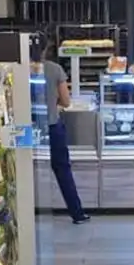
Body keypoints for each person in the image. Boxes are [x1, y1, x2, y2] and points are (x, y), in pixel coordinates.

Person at [38, 37, 90, 224]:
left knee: (24, 171)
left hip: (26, 131)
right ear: (46, 49)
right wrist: (55, 105)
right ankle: (77, 213)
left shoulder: (18, 70)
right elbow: (66, 101)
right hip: (51, 127)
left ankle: (24, 213)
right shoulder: (54, 69)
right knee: (62, 169)